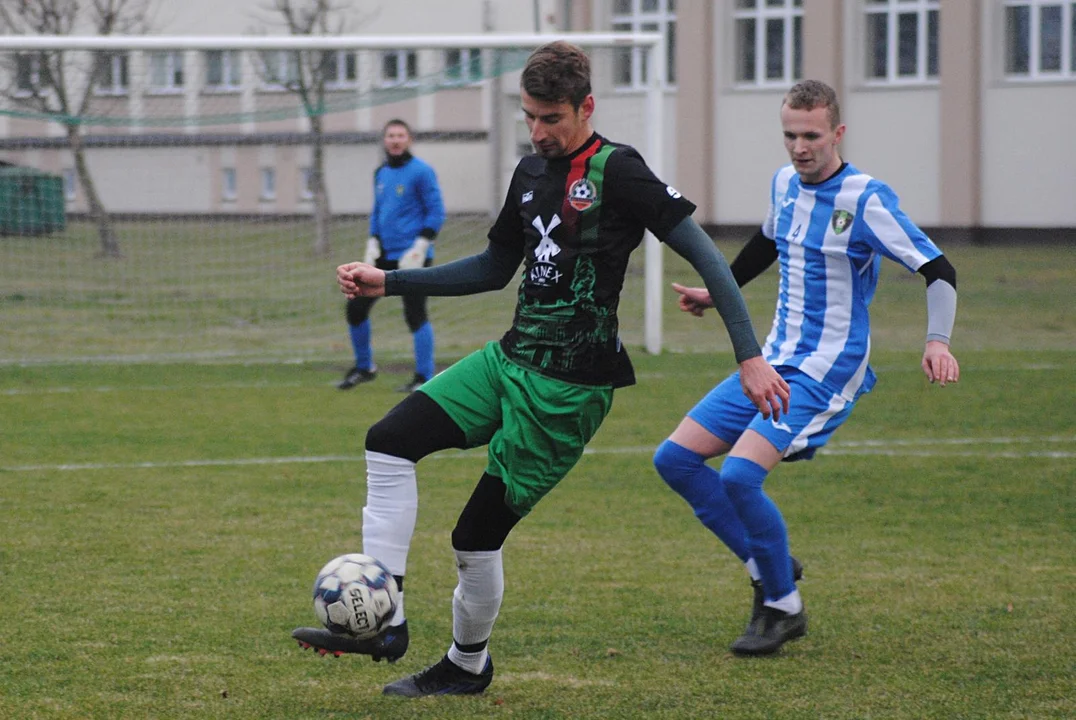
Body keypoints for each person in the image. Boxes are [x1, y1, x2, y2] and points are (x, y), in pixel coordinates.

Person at [292, 41, 789, 697]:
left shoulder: (621, 171)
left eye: (551, 117)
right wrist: (389, 280)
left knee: (474, 535)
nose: (538, 131)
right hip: (509, 359)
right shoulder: (529, 173)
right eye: (529, 116)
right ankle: (388, 618)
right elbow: (494, 269)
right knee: (389, 440)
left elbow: (709, 259)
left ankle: (467, 667)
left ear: (586, 106)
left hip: (569, 389)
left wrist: (749, 356)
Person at [653, 79, 960, 657]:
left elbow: (939, 270)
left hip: (825, 370)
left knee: (741, 476)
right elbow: (768, 243)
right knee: (675, 459)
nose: (799, 147)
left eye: (812, 135)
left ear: (837, 133)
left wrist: (937, 341)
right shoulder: (783, 184)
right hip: (772, 360)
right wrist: (716, 294)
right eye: (790, 135)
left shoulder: (867, 198)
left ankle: (783, 606)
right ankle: (769, 565)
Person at [339, 118, 446, 393]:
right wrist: (373, 240)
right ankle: (365, 368)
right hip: (384, 255)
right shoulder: (381, 173)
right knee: (355, 308)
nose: (395, 140)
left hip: (413, 258)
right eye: (390, 135)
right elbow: (378, 210)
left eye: (400, 135)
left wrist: (421, 245)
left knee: (415, 313)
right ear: (384, 140)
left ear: (408, 140)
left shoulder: (422, 171)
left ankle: (424, 376)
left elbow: (436, 210)